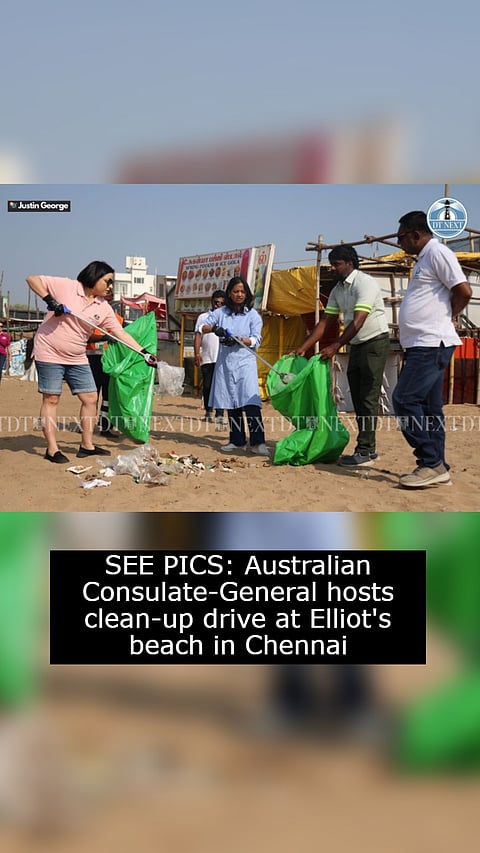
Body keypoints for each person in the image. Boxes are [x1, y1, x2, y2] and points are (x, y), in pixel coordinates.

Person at [26, 260, 158, 464]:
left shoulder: (103, 308)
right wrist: (50, 301)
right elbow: (32, 279)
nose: (110, 286)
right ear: (94, 276)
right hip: (49, 351)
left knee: (90, 398)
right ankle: (52, 449)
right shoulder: (68, 287)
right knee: (51, 399)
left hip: (77, 356)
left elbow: (119, 333)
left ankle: (86, 445)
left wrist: (143, 353)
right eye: (108, 281)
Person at [392, 210, 472, 488]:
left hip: (431, 343)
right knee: (429, 408)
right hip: (421, 344)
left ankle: (430, 462)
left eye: (401, 237)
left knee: (403, 400)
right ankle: (439, 467)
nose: (399, 242)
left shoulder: (438, 252)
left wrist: (452, 315)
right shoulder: (423, 258)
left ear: (415, 234)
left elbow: (463, 290)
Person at [296, 245, 390, 467]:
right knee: (357, 396)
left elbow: (358, 321)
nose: (333, 268)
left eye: (336, 264)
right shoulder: (338, 290)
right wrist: (304, 347)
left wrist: (335, 346)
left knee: (368, 395)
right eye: (332, 264)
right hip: (356, 345)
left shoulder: (364, 283)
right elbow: (325, 322)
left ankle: (366, 451)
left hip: (374, 342)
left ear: (350, 263)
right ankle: (367, 448)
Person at [201, 275, 270, 456]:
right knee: (232, 402)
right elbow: (202, 326)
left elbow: (257, 338)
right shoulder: (221, 312)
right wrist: (215, 329)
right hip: (226, 363)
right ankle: (237, 441)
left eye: (242, 291)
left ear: (247, 294)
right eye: (235, 291)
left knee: (251, 402)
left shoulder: (253, 315)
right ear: (229, 294)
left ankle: (258, 443)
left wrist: (242, 340)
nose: (239, 294)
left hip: (245, 362)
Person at [86, 284, 124, 439]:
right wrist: (103, 337)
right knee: (90, 396)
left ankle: (105, 427)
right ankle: (87, 425)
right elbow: (85, 336)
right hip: (93, 358)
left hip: (109, 361)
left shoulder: (118, 319)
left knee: (108, 396)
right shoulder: (90, 315)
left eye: (107, 298)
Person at [194, 290, 226, 425]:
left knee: (221, 387)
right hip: (207, 357)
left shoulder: (227, 317)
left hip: (223, 359)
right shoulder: (203, 317)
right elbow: (198, 336)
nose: (218, 305)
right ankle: (208, 411)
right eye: (216, 302)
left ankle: (220, 414)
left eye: (221, 303)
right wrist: (197, 353)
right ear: (212, 302)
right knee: (207, 386)